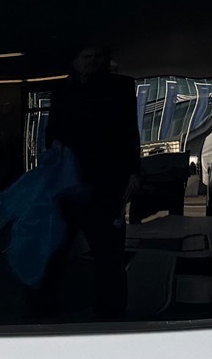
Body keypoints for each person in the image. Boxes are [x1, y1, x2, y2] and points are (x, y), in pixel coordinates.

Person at [39, 42, 140, 318]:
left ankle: (110, 310)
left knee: (108, 251)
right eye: (87, 57)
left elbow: (130, 132)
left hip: (107, 182)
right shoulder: (62, 90)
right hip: (69, 182)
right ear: (76, 61)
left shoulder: (121, 87)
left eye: (97, 57)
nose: (92, 62)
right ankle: (45, 307)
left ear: (106, 60)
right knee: (57, 247)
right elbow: (52, 132)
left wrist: (134, 171)